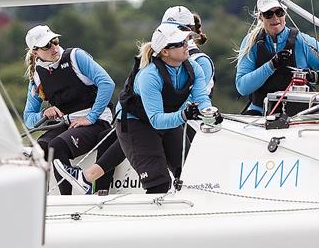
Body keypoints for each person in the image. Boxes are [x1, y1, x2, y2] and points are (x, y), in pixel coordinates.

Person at [115, 23, 220, 194]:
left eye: (186, 40)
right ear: (165, 51)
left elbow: (202, 99)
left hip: (168, 118)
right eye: (180, 43)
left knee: (192, 175)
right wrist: (184, 115)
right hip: (136, 124)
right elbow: (156, 120)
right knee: (159, 184)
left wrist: (210, 114)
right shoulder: (150, 76)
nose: (187, 45)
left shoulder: (194, 68)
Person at [22, 24, 115, 195]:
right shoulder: (36, 76)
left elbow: (107, 83)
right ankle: (46, 199)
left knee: (56, 146)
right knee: (38, 148)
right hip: (67, 124)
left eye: (55, 41)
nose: (54, 47)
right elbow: (28, 119)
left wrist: (92, 117)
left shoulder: (75, 56)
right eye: (47, 45)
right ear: (35, 52)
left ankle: (71, 196)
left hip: (97, 120)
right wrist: (43, 114)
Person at [235, 0, 319, 115]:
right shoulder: (251, 42)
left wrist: (318, 76)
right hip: (261, 112)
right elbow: (242, 87)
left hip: (299, 112)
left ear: (285, 14)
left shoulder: (302, 41)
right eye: (268, 14)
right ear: (261, 17)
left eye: (279, 13)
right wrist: (271, 65)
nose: (275, 18)